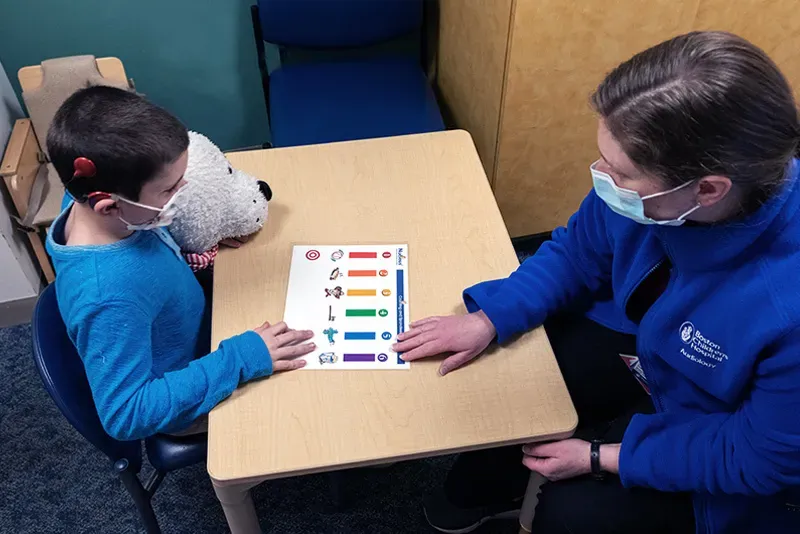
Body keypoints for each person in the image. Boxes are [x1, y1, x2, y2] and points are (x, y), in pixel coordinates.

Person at [393, 32, 800, 533]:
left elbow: (758, 457)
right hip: (653, 346)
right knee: (516, 380)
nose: (601, 175)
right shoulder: (663, 200)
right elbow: (577, 251)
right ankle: (478, 494)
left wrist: (601, 457)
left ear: (708, 190)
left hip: (732, 429)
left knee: (572, 517)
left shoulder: (786, 302)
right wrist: (490, 317)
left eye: (622, 172)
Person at [45, 86, 315, 440]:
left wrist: (200, 241)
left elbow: (149, 254)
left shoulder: (95, 205)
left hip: (203, 328)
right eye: (169, 190)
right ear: (108, 206)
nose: (182, 191)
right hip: (191, 393)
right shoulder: (107, 296)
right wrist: (240, 359)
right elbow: (127, 415)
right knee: (319, 399)